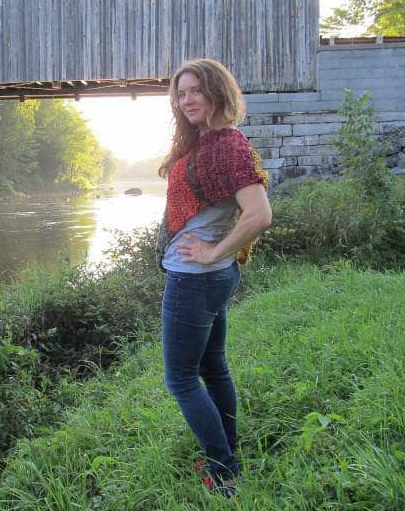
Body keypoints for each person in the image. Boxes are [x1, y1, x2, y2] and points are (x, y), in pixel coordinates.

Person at [156, 58, 272, 497]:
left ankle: (224, 473)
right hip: (211, 277)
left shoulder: (227, 146)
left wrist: (210, 251)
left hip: (195, 277)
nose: (186, 100)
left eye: (195, 91)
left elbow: (259, 214)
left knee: (181, 380)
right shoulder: (207, 142)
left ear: (217, 91)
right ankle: (229, 454)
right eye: (180, 93)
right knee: (213, 367)